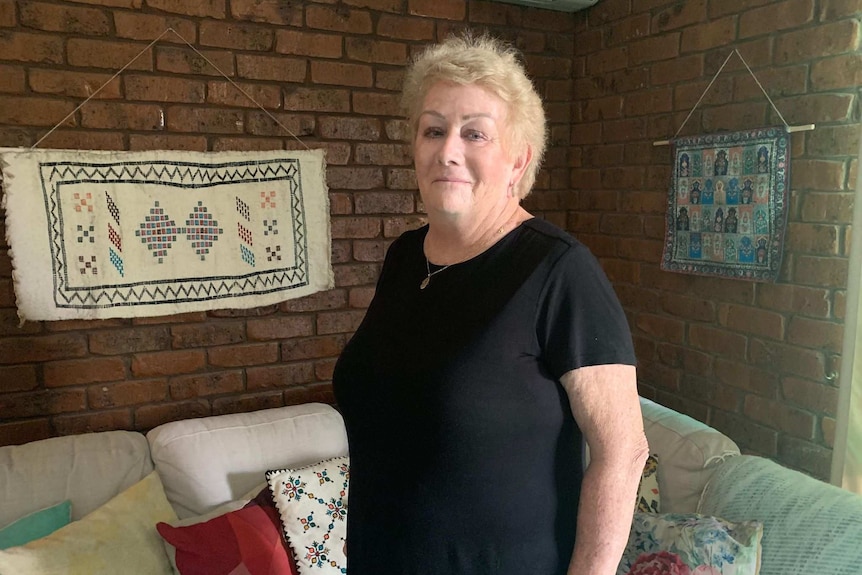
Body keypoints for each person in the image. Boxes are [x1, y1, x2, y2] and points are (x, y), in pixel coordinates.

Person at [332, 32, 648, 575]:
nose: (448, 150)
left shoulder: (558, 270)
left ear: (518, 161)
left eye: (475, 133)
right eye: (433, 129)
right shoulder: (406, 257)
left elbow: (623, 451)